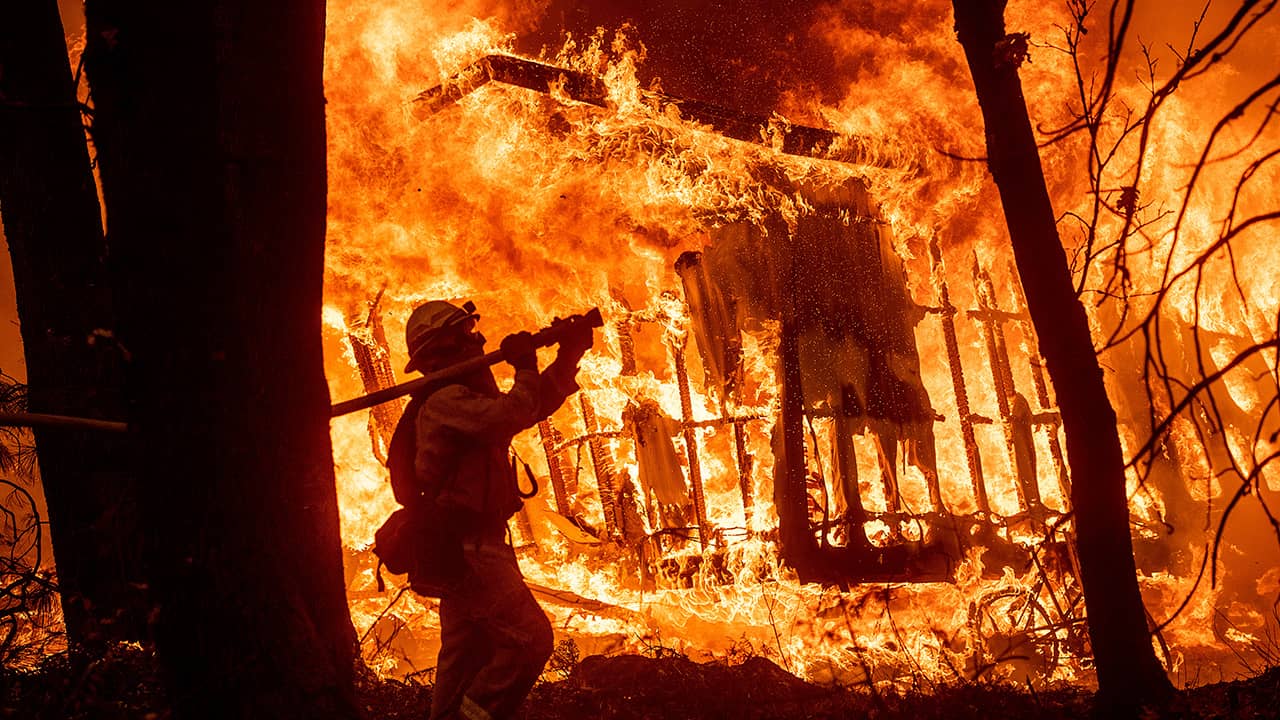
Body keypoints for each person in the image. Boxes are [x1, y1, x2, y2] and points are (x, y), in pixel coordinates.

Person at [393, 299, 592, 720]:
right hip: (468, 549)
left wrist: (569, 356)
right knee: (530, 640)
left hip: (467, 546)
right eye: (466, 333)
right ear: (444, 345)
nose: (479, 338)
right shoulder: (446, 400)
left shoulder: (460, 396)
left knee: (466, 657)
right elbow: (512, 412)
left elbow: (531, 406)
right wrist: (524, 366)